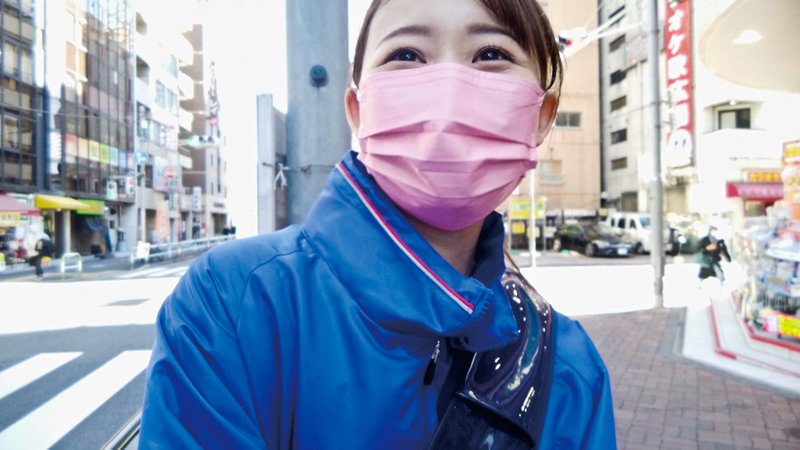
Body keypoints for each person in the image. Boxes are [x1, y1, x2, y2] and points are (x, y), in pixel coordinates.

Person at [139, 0, 616, 448]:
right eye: (406, 55)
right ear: (358, 110)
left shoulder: (570, 370)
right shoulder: (233, 303)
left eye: (491, 54)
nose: (448, 89)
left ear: (541, 116)